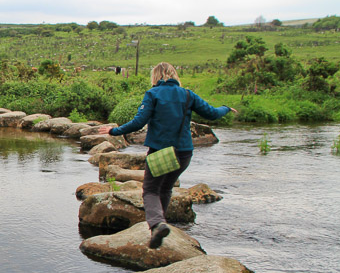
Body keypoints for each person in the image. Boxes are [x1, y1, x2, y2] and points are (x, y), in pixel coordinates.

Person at [98, 62, 237, 249]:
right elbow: (212, 113)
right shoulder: (188, 94)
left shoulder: (153, 94)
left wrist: (114, 131)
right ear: (174, 75)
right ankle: (160, 226)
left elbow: (139, 122)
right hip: (184, 152)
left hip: (161, 151)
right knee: (166, 188)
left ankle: (157, 224)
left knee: (150, 189)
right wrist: (226, 108)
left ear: (155, 76)